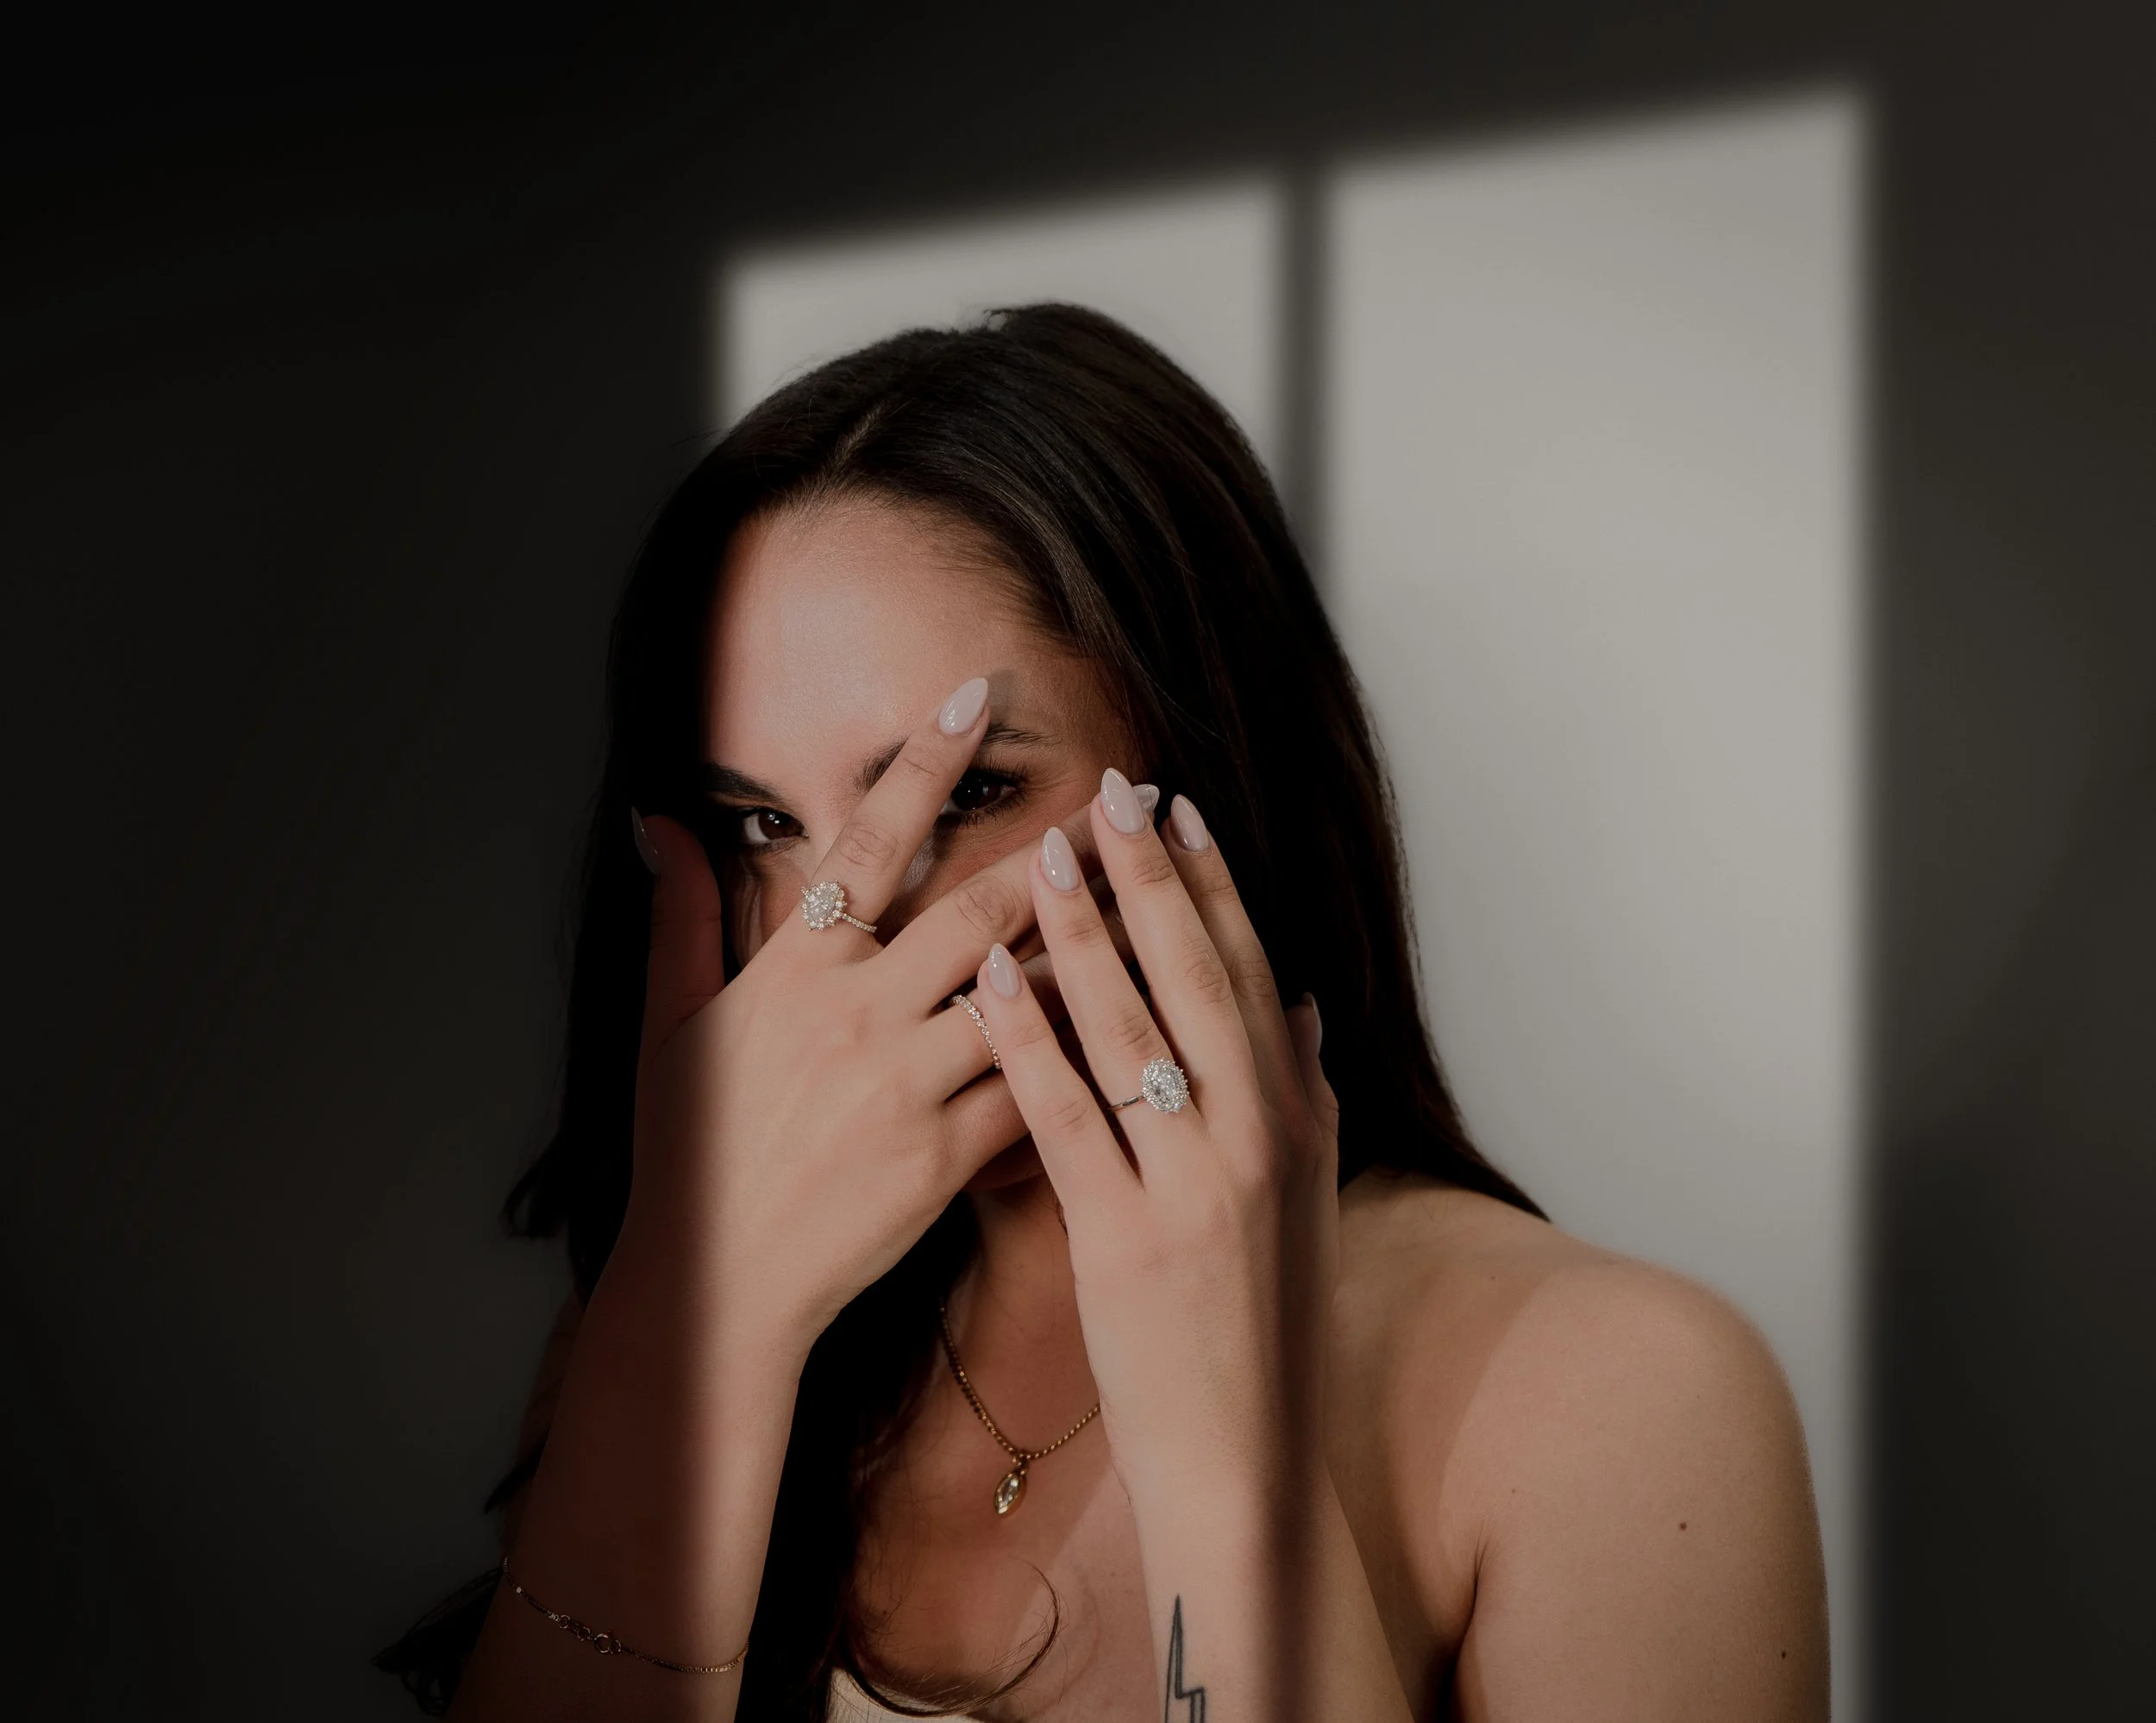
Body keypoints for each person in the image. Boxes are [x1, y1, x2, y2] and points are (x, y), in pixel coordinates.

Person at [379, 304, 1828, 1720]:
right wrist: (693, 1330)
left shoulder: (1622, 1402)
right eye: (764, 825)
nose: (852, 940)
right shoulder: (660, 1320)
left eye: (973, 791)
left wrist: (1221, 1445)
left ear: (1215, 775)